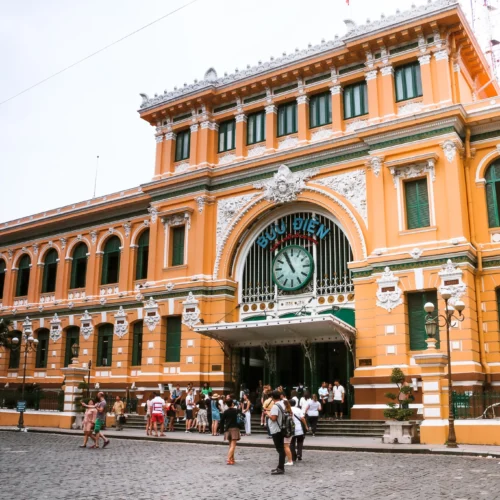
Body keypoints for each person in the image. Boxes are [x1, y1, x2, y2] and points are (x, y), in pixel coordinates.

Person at [268, 390, 286, 475]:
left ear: (272, 397)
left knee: (280, 449)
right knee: (281, 448)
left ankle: (280, 468)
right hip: (281, 428)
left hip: (276, 429)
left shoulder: (275, 406)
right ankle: (280, 466)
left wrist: (267, 414)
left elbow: (274, 418)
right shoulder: (282, 404)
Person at [221, 398, 241, 465]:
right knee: (233, 446)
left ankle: (232, 459)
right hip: (234, 429)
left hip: (227, 429)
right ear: (232, 403)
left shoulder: (226, 411)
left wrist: (221, 430)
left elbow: (222, 420)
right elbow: (242, 416)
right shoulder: (236, 410)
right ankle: (229, 459)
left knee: (230, 445)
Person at [282, 398, 294, 467]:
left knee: (286, 446)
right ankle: (288, 459)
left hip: (287, 431)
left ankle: (290, 460)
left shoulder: (285, 413)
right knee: (287, 446)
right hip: (290, 431)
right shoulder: (290, 412)